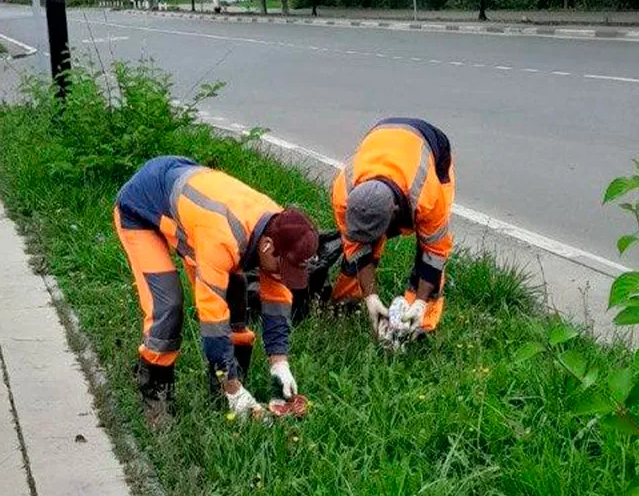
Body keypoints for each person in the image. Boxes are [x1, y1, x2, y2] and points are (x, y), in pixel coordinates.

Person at [114, 156, 318, 423]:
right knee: (168, 305)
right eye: (282, 268)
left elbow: (277, 296)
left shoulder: (281, 227)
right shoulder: (222, 236)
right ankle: (155, 391)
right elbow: (212, 318)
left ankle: (224, 388)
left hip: (189, 203)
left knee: (236, 289)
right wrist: (233, 389)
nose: (282, 275)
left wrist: (279, 362)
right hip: (140, 208)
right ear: (267, 246)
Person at [331, 118, 455, 347]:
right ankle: (347, 304)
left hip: (431, 145)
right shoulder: (343, 193)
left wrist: (420, 302)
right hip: (382, 136)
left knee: (428, 260)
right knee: (358, 250)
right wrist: (371, 297)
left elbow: (435, 253)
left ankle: (420, 326)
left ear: (395, 213)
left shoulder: (427, 196)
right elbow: (355, 247)